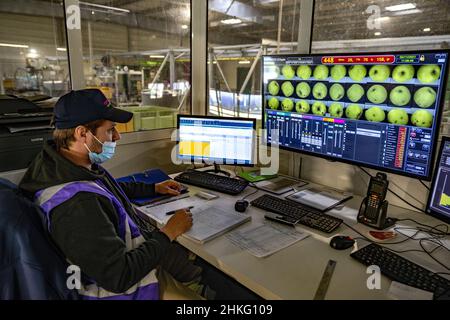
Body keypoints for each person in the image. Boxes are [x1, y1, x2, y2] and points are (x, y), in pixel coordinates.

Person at [18, 89, 201, 300]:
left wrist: (152, 188)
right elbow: (119, 277)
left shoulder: (61, 163)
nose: (117, 136)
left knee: (188, 262)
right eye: (110, 130)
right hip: (120, 290)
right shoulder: (77, 206)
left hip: (121, 258)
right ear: (82, 133)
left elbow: (104, 188)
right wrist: (168, 232)